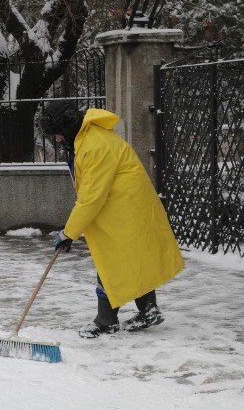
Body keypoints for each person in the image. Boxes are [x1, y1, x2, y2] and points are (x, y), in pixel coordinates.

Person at [39, 100, 184, 338]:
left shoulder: (95, 145)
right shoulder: (87, 139)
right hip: (123, 208)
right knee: (131, 260)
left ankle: (106, 321)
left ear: (68, 127)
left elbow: (91, 197)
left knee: (110, 263)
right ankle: (148, 311)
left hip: (123, 210)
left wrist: (69, 233)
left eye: (58, 134)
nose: (58, 139)